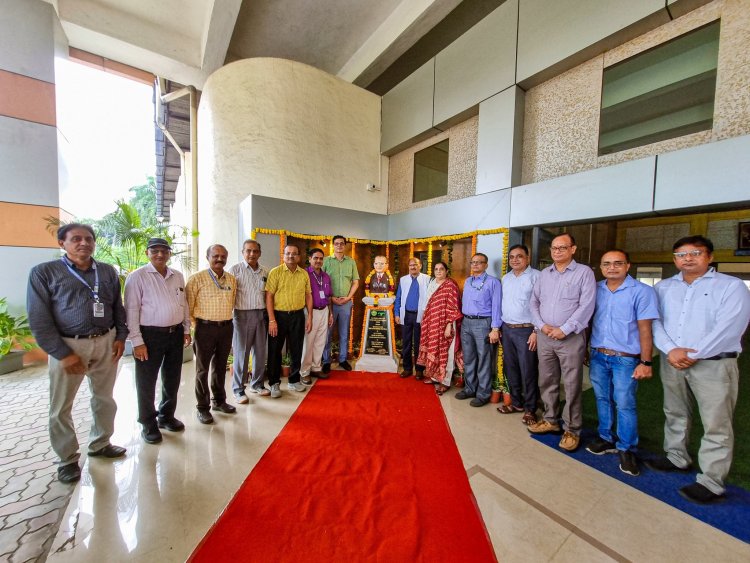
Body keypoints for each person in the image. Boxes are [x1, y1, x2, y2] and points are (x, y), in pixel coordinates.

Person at [648, 235, 750, 503]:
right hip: (672, 360)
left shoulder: (732, 286)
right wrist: (671, 350)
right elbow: (655, 322)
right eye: (681, 255)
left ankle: (712, 480)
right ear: (674, 259)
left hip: (714, 364)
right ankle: (676, 456)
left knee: (716, 422)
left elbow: (730, 326)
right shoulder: (665, 287)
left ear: (710, 257)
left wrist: (695, 353)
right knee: (674, 411)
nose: (688, 258)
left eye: (695, 253)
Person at [27, 223, 128, 483]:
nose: (84, 243)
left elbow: (118, 306)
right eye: (76, 239)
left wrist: (120, 337)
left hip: (105, 342)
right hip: (69, 345)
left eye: (89, 239)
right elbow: (39, 319)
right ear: (62, 243)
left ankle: (100, 443)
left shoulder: (106, 271)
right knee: (61, 407)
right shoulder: (44, 273)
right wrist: (62, 353)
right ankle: (67, 459)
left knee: (104, 398)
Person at [586, 249, 658, 477]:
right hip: (598, 353)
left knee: (624, 403)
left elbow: (646, 329)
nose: (612, 267)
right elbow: (589, 321)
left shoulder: (642, 292)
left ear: (628, 265)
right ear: (601, 266)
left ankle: (626, 448)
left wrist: (646, 361)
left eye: (618, 263)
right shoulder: (596, 289)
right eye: (607, 263)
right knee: (602, 397)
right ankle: (605, 437)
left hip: (625, 359)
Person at [528, 233, 596, 452]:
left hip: (570, 338)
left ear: (573, 249)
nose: (557, 252)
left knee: (572, 384)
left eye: (562, 248)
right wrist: (542, 326)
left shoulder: (584, 273)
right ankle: (551, 420)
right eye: (554, 248)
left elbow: (586, 306)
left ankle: (572, 429)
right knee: (546, 380)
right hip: (545, 336)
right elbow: (534, 302)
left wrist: (564, 329)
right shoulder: (544, 275)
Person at [124, 237, 191, 444]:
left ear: (169, 253)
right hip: (149, 336)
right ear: (147, 253)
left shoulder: (177, 276)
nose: (160, 254)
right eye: (155, 251)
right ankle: (148, 423)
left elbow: (184, 304)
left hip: (175, 333)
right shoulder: (137, 277)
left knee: (172, 378)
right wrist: (137, 341)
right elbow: (131, 310)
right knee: (146, 381)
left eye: (164, 251)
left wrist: (187, 329)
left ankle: (166, 416)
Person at [186, 244, 237, 424]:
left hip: (226, 327)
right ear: (207, 257)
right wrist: (194, 327)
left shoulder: (231, 279)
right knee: (202, 370)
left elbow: (233, 303)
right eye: (215, 255)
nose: (219, 259)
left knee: (220, 367)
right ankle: (202, 407)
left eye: (223, 256)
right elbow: (188, 307)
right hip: (204, 328)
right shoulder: (196, 279)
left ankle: (219, 401)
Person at [498, 245, 540, 425]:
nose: (515, 260)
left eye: (519, 256)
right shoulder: (505, 278)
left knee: (528, 370)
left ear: (528, 258)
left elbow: (542, 305)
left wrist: (536, 331)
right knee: (511, 368)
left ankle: (531, 409)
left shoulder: (537, 277)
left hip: (526, 330)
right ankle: (516, 403)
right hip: (507, 329)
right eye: (512, 257)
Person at [266, 244, 313, 398]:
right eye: (288, 254)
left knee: (296, 349)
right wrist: (272, 320)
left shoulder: (304, 274)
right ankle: (274, 383)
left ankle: (294, 380)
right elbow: (269, 296)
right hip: (278, 316)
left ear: (299, 256)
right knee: (275, 350)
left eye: (294, 254)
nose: (291, 256)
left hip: (298, 316)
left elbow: (308, 295)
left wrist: (310, 317)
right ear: (283, 255)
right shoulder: (275, 272)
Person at [456, 252, 503, 407]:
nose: (475, 265)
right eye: (473, 262)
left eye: (479, 262)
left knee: (484, 359)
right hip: (466, 322)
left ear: (486, 265)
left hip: (483, 323)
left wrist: (495, 328)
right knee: (469, 358)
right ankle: (470, 389)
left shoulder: (493, 282)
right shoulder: (468, 281)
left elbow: (497, 306)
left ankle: (483, 394)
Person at [229, 239, 270, 403]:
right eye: (248, 251)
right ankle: (238, 389)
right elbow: (229, 294)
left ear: (259, 253)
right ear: (243, 252)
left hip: (261, 315)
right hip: (242, 315)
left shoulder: (265, 272)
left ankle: (257, 384)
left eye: (255, 251)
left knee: (260, 352)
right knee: (241, 353)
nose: (252, 254)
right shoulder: (235, 270)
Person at [416, 261, 463, 395]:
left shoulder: (450, 285)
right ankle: (433, 376)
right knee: (432, 348)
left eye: (441, 269)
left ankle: (445, 381)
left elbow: (454, 307)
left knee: (446, 352)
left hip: (445, 324)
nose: (438, 271)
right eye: (436, 269)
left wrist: (449, 326)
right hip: (431, 323)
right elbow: (427, 303)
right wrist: (424, 321)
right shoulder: (432, 283)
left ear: (446, 271)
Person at [322, 235, 359, 372]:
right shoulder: (326, 261)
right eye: (336, 243)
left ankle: (343, 359)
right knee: (327, 333)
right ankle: (326, 361)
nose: (339, 246)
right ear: (333, 245)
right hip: (329, 303)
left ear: (345, 245)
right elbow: (321, 281)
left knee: (344, 333)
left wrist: (348, 297)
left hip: (345, 303)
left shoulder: (351, 262)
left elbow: (356, 282)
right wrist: (330, 298)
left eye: (341, 244)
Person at [301, 248, 333, 383]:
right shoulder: (304, 274)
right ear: (309, 259)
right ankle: (304, 372)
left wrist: (330, 313)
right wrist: (308, 314)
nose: (318, 261)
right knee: (308, 342)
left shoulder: (326, 276)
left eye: (321, 258)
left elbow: (329, 296)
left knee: (320, 341)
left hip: (324, 310)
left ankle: (315, 367)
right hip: (310, 312)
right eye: (315, 258)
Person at [395, 257, 430, 379]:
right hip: (406, 315)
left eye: (415, 265)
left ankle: (419, 369)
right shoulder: (403, 279)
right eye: (411, 265)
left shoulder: (427, 279)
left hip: (421, 315)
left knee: (419, 343)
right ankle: (407, 368)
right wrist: (397, 314)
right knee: (406, 343)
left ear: (420, 266)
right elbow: (398, 298)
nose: (413, 267)